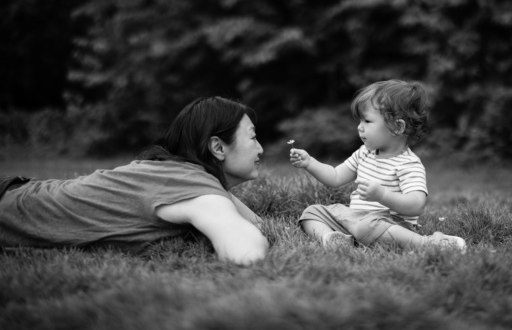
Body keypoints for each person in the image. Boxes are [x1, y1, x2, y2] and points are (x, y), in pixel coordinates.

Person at [0, 97, 268, 265]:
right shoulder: (194, 190)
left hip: (15, 192)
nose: (260, 149)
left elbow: (255, 221)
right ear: (218, 148)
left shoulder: (175, 174)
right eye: (253, 137)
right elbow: (245, 252)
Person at [289, 79, 467, 252]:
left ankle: (426, 243)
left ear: (396, 127)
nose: (359, 127)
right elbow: (335, 177)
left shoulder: (409, 164)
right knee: (312, 212)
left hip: (388, 224)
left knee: (367, 227)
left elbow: (416, 205)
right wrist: (310, 163)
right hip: (355, 220)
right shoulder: (363, 153)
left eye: (367, 121)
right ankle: (333, 239)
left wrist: (382, 195)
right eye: (360, 121)